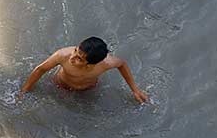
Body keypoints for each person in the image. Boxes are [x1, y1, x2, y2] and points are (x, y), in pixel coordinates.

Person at [19, 36, 149, 104]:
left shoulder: (105, 63)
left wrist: (135, 90)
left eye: (79, 59)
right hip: (61, 86)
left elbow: (122, 64)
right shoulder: (62, 55)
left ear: (90, 64)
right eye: (76, 50)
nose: (73, 57)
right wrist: (24, 90)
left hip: (88, 89)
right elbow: (40, 69)